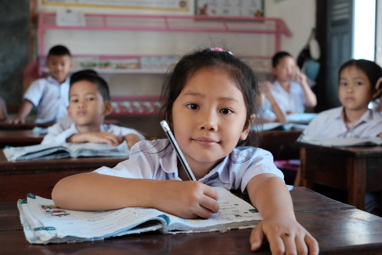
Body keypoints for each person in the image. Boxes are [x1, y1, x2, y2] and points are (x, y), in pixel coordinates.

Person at [51, 48, 319, 254]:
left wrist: (279, 217)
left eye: (226, 111)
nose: (209, 123)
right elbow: (64, 192)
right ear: (170, 114)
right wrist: (159, 193)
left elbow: (268, 183)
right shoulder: (153, 159)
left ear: (245, 127)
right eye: (193, 106)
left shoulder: (245, 161)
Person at [301, 59, 382, 213]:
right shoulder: (322, 119)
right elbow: (304, 159)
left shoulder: (379, 124)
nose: (349, 90)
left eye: (358, 83)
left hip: (364, 194)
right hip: (322, 192)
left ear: (375, 91)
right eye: (344, 83)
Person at [42, 70, 144, 149]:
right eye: (75, 100)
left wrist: (132, 137)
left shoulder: (110, 131)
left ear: (106, 107)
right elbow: (45, 145)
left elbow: (133, 134)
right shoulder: (60, 129)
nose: (81, 105)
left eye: (89, 98)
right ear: (69, 110)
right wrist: (84, 137)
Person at [6, 45, 72, 124]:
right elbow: (29, 101)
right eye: (54, 63)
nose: (58, 68)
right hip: (43, 127)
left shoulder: (75, 85)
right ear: (47, 64)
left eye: (63, 64)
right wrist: (20, 117)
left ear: (70, 65)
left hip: (68, 128)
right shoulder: (40, 84)